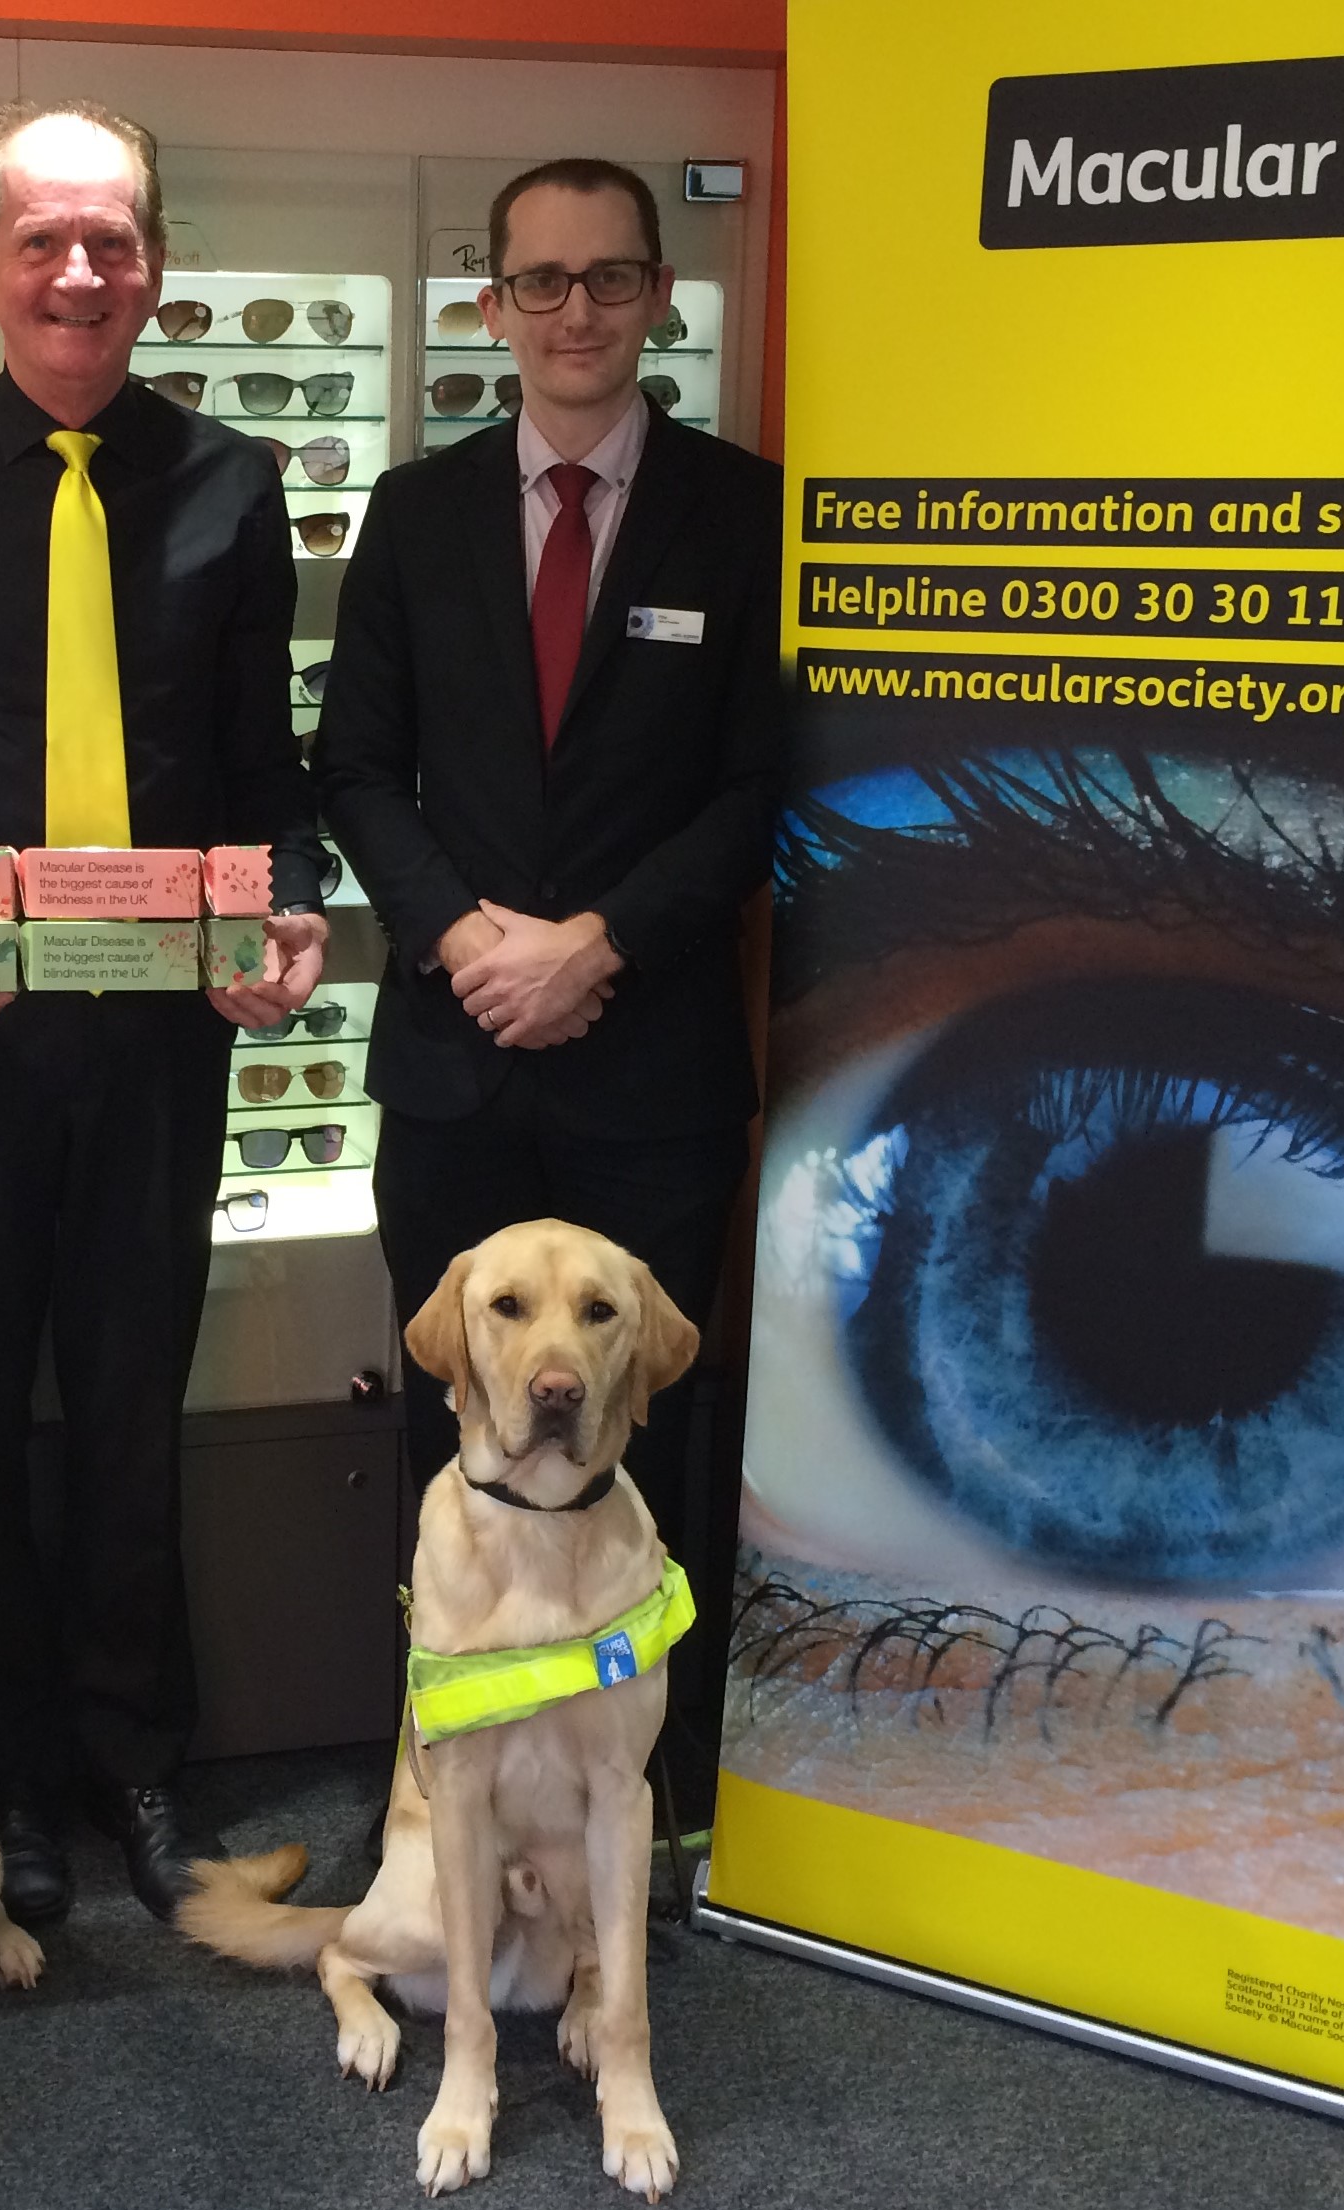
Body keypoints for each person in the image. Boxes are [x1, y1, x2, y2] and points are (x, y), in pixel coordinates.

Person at [0, 96, 330, 1925]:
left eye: (112, 240)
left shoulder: (235, 490)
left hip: (160, 1055)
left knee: (128, 1411)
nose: (79, 271)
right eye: (44, 238)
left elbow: (266, 770)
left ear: (155, 264)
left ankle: (132, 1758)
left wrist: (284, 915)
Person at [310, 157, 781, 1772]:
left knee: (643, 1435)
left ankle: (646, 1790)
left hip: (651, 1067)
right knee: (466, 1432)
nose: (574, 312)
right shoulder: (418, 512)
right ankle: (444, 1782)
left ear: (657, 295)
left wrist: (602, 943)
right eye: (540, 282)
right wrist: (463, 936)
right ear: (491, 304)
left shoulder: (748, 513)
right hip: (456, 1061)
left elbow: (757, 789)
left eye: (608, 278)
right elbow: (357, 767)